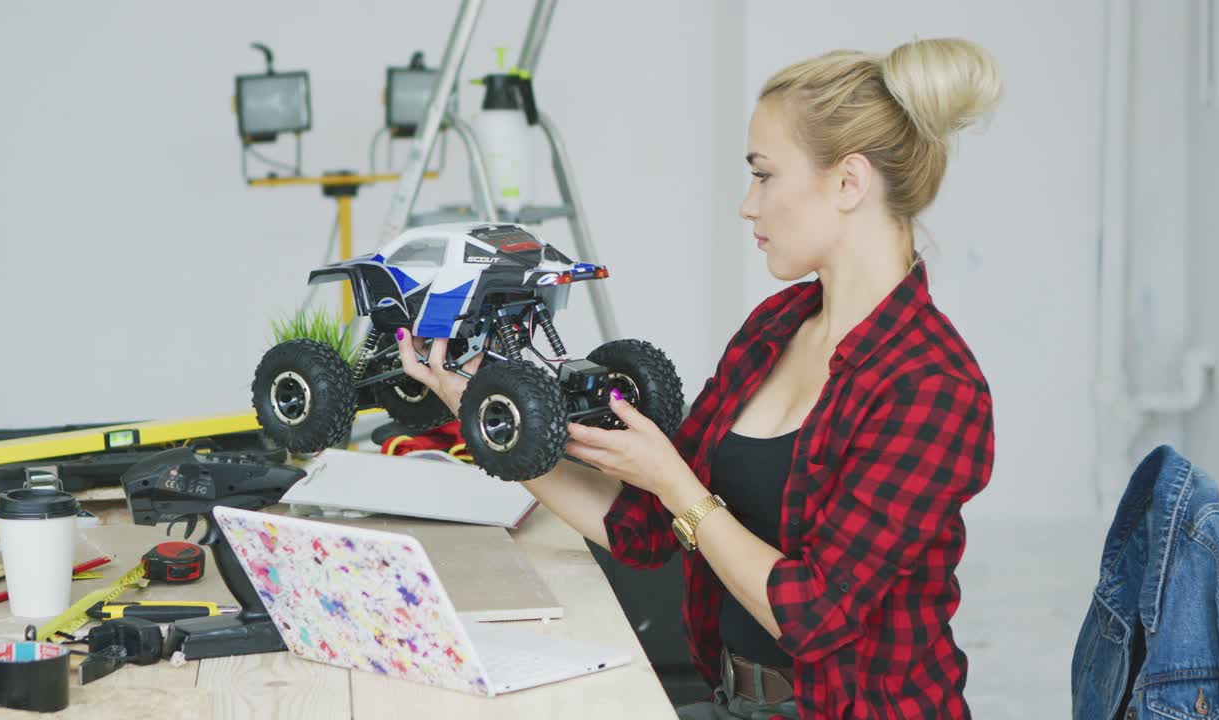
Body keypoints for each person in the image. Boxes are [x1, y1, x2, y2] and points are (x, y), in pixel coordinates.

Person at [395, 36, 1001, 720]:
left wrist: (672, 479)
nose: (748, 205)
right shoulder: (777, 328)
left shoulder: (933, 386)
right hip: (732, 702)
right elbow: (648, 528)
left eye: (764, 175)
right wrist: (483, 411)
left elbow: (816, 617)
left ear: (848, 183)